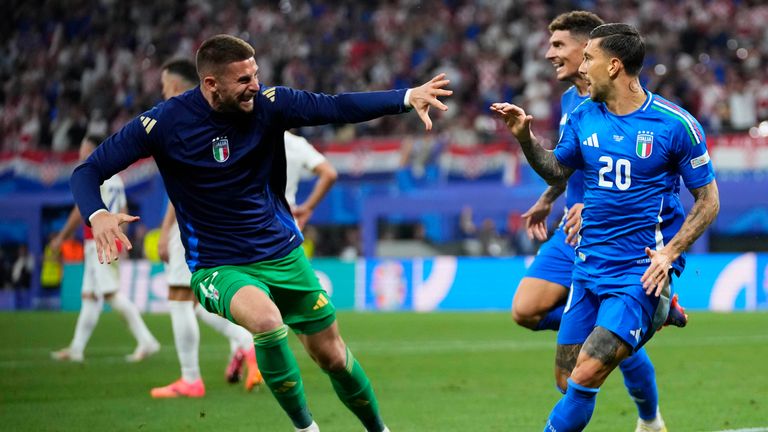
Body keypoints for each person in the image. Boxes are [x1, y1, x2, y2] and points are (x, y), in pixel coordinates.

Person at [70, 34, 451, 432]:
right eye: (243, 79)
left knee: (334, 357)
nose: (255, 85)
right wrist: (96, 214)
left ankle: (379, 430)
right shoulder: (163, 123)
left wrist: (406, 97)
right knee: (268, 323)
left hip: (283, 254)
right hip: (219, 266)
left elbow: (338, 106)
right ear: (211, 84)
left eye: (256, 74)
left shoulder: (270, 104)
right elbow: (88, 171)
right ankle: (307, 429)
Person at [492, 23, 719, 431]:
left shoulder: (674, 125)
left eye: (588, 59)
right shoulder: (581, 115)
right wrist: (525, 139)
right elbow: (558, 168)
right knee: (566, 380)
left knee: (583, 377)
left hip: (640, 270)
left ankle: (650, 322)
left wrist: (669, 254)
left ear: (614, 67)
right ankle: (650, 320)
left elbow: (709, 201)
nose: (582, 66)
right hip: (588, 263)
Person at [151, 58, 261, 399]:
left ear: (183, 85)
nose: (163, 92)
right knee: (200, 302)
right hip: (215, 223)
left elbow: (185, 185)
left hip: (195, 226)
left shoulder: (183, 122)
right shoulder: (216, 119)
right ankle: (244, 344)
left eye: (167, 85)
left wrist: (167, 230)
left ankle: (192, 378)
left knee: (180, 298)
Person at [51, 135, 160, 363]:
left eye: (83, 150)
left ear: (92, 151)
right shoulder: (116, 179)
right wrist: (122, 240)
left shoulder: (93, 176)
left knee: (111, 294)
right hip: (104, 241)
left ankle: (147, 340)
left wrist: (62, 237)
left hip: (100, 241)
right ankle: (76, 349)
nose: (81, 155)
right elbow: (123, 208)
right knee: (90, 297)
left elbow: (77, 212)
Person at [284, 131, 338, 231]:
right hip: (285, 221)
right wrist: (308, 208)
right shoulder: (296, 143)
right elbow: (329, 173)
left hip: (251, 219)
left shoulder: (250, 137)